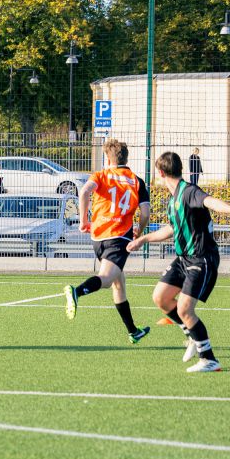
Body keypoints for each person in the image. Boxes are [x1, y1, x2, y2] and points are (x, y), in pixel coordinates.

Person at [127, 152, 230, 373]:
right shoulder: (173, 200)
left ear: (161, 173)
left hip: (202, 259)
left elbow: (209, 200)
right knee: (161, 297)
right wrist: (143, 239)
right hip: (184, 259)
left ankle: (209, 359)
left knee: (184, 308)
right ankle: (191, 335)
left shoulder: (188, 191)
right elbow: (172, 229)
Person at [64, 139, 152, 343]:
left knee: (118, 283)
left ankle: (133, 331)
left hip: (98, 236)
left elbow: (84, 191)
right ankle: (76, 292)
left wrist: (84, 220)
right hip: (119, 237)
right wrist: (140, 229)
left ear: (107, 158)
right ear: (126, 157)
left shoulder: (100, 175)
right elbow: (146, 212)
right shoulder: (136, 180)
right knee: (106, 279)